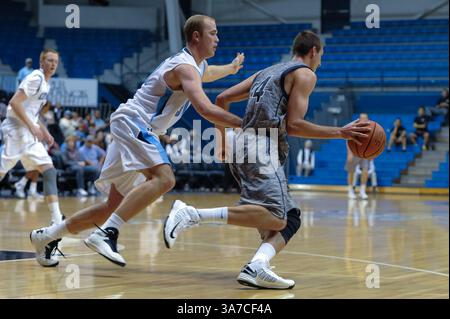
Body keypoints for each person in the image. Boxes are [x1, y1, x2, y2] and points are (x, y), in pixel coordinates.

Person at [30, 15, 245, 268]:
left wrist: (230, 69)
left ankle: (47, 237)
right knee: (165, 178)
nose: (217, 38)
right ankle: (106, 234)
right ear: (196, 36)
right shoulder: (184, 67)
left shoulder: (197, 66)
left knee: (110, 208)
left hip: (134, 127)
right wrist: (245, 123)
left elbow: (209, 73)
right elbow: (206, 109)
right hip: (134, 122)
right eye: (213, 33)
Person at [163, 31, 370, 289]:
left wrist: (223, 141)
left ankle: (257, 266)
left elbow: (222, 98)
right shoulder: (305, 74)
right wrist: (340, 132)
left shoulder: (267, 71)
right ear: (314, 51)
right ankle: (192, 214)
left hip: (243, 145)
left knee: (288, 218)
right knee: (277, 214)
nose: (320, 61)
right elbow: (294, 126)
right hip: (261, 146)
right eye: (321, 55)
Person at [0, 49, 64, 266]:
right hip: (16, 129)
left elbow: (33, 112)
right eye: (49, 60)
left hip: (29, 131)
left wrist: (43, 131)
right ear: (41, 62)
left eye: (56, 61)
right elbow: (15, 103)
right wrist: (32, 127)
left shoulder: (46, 83)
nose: (53, 64)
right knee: (2, 170)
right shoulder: (35, 78)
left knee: (49, 169)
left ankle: (57, 219)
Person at [346, 113, 370, 200]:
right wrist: (349, 154)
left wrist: (371, 153)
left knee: (365, 171)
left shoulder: (370, 129)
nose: (364, 120)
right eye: (362, 118)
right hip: (353, 152)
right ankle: (350, 190)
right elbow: (348, 141)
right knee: (351, 172)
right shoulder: (354, 128)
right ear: (359, 119)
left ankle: (362, 191)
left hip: (363, 153)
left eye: (366, 118)